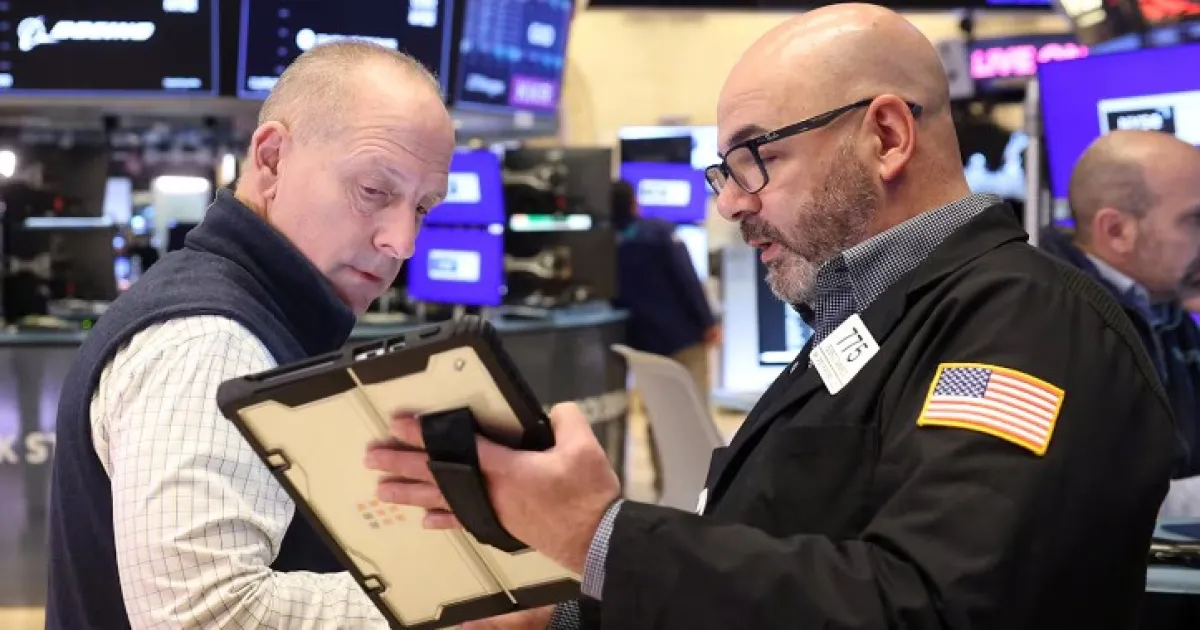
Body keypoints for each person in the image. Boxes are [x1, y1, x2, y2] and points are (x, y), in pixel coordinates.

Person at [365, 5, 1177, 629]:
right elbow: (785, 551)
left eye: (758, 156)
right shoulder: (868, 320)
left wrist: (598, 535)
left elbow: (925, 608)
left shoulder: (1028, 324)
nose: (729, 203)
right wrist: (571, 615)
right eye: (724, 170)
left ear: (886, 136)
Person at [45, 41, 455, 628]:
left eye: (422, 208)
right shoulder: (210, 342)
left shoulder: (260, 314)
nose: (403, 242)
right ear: (272, 159)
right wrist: (457, 603)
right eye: (373, 191)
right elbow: (207, 617)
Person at [1037, 131, 1200, 629]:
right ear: (1116, 231)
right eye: (1195, 220)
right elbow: (1085, 504)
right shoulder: (1047, 325)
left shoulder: (1165, 303)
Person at [611, 179, 720, 401]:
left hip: (642, 341)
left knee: (658, 407)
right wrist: (708, 322)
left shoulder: (604, 243)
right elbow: (687, 279)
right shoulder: (660, 232)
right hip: (683, 336)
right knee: (692, 403)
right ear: (634, 203)